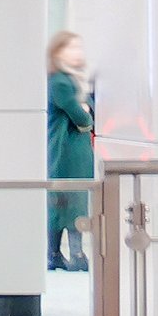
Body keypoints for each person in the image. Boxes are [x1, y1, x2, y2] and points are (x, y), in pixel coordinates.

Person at [48, 31, 95, 272]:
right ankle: (75, 254)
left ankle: (56, 254)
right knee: (71, 202)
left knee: (62, 202)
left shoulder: (67, 80)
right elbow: (83, 119)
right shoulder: (61, 82)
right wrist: (86, 116)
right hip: (68, 152)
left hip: (66, 152)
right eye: (71, 48)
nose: (78, 53)